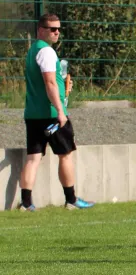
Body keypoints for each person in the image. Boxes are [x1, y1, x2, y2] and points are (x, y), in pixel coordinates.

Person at [18, 13, 95, 211]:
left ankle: (26, 203)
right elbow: (50, 82)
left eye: (59, 29)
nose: (57, 32)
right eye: (52, 29)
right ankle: (71, 200)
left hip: (33, 114)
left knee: (33, 157)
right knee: (66, 154)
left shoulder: (32, 50)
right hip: (52, 115)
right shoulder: (47, 52)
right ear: (41, 30)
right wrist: (61, 111)